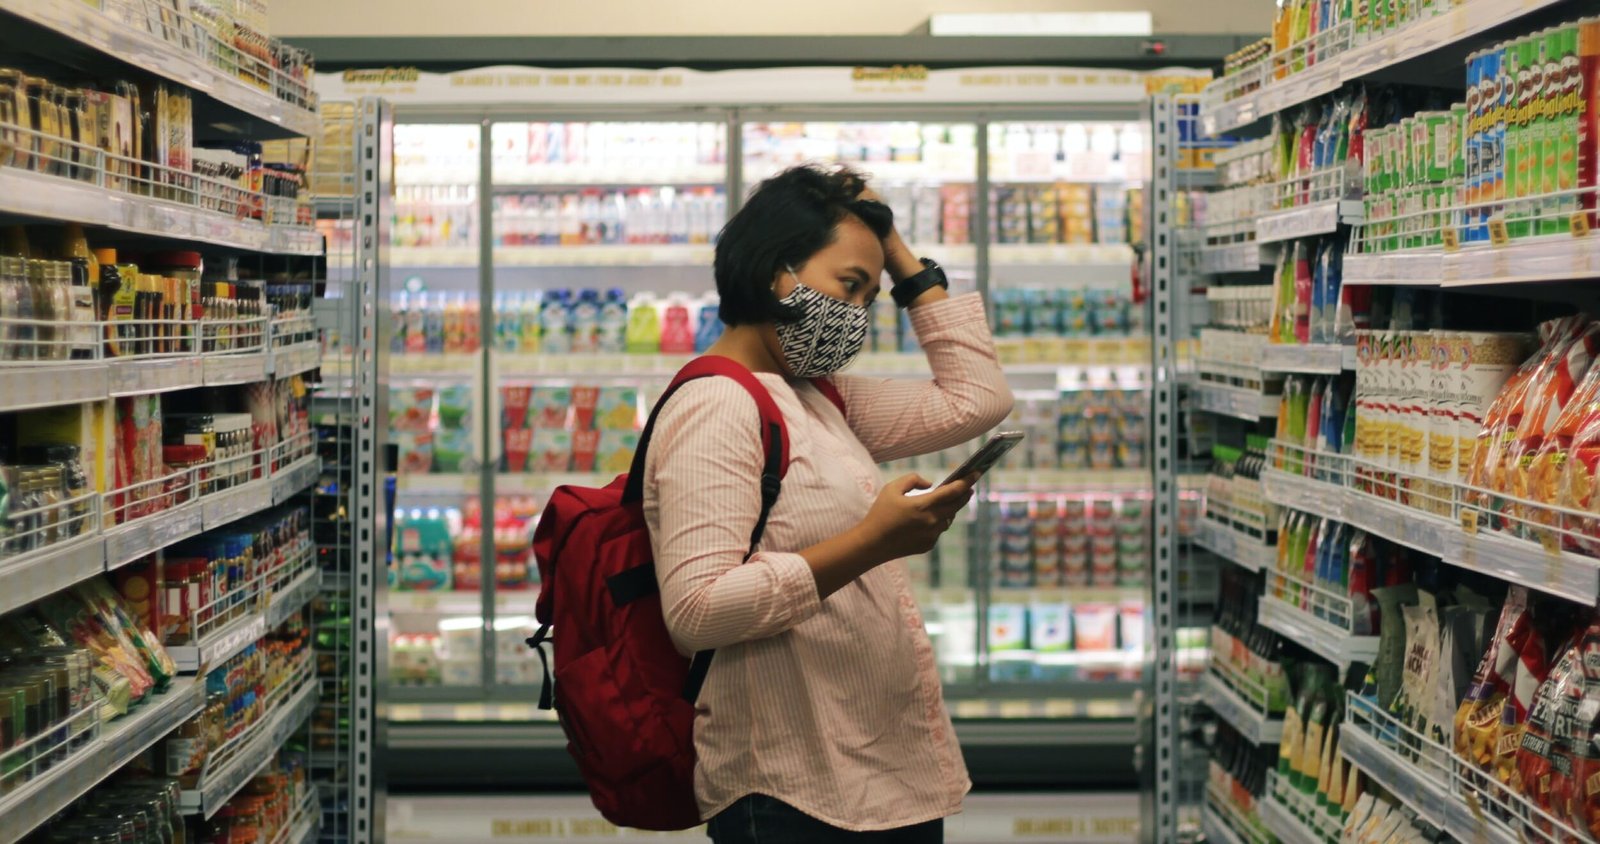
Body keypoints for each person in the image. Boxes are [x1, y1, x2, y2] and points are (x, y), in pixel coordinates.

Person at [643, 164, 1013, 843]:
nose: (857, 313)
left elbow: (978, 399)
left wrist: (893, 247)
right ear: (777, 270)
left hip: (875, 773)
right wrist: (874, 542)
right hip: (792, 793)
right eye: (849, 285)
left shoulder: (817, 396)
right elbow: (697, 612)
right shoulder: (719, 405)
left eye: (870, 296)